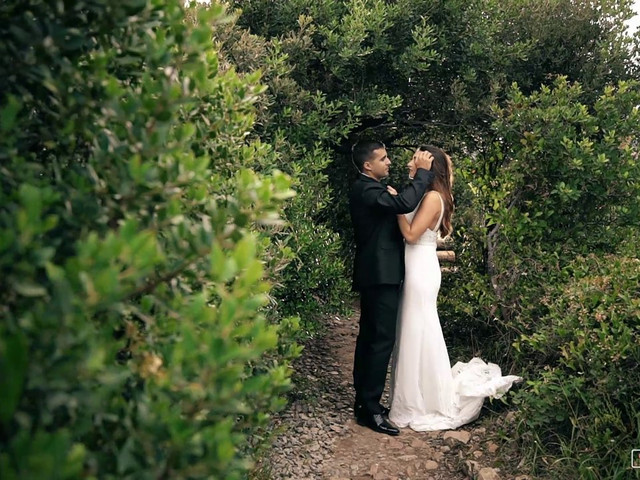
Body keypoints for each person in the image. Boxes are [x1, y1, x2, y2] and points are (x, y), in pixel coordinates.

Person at [388, 145, 522, 431]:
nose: (410, 161)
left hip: (420, 268)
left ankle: (422, 400)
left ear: (429, 166)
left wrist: (397, 204)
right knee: (413, 329)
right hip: (416, 266)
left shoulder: (434, 198)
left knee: (418, 329)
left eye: (416, 157)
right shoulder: (427, 194)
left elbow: (411, 235)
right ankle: (415, 394)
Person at [348, 140, 434, 436]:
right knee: (380, 339)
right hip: (379, 274)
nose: (389, 162)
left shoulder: (372, 188)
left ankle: (365, 403)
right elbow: (404, 204)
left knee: (372, 337)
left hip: (379, 272)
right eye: (383, 159)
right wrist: (422, 174)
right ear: (367, 165)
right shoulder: (366, 189)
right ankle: (369, 409)